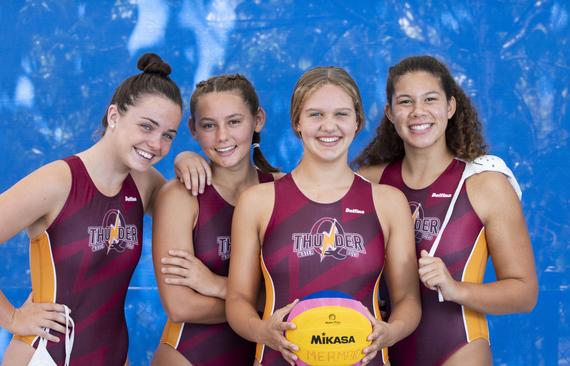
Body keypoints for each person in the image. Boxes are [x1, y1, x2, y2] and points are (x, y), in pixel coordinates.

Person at [0, 53, 183, 366]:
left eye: (168, 136)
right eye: (146, 127)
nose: (156, 144)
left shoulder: (144, 183)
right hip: (46, 356)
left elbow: (189, 213)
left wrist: (184, 161)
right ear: (114, 116)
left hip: (112, 356)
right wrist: (13, 318)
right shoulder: (58, 181)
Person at [226, 66, 421, 366]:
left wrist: (392, 331)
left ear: (357, 122)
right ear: (297, 122)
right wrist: (263, 331)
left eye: (341, 114)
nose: (329, 126)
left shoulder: (388, 203)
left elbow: (408, 301)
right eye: (316, 115)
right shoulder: (257, 202)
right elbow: (238, 300)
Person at [353, 55, 538, 365]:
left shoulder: (485, 184)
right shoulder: (366, 182)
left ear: (450, 107)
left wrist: (455, 289)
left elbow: (524, 293)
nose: (418, 112)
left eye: (430, 99)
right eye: (405, 102)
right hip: (375, 350)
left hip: (458, 349)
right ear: (390, 113)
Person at [151, 74, 282, 366]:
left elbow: (306, 290)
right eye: (209, 125)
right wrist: (265, 304)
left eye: (234, 122)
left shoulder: (283, 190)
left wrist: (215, 285)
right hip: (189, 356)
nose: (222, 136)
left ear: (257, 119)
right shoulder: (181, 195)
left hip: (266, 354)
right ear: (193, 129)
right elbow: (180, 306)